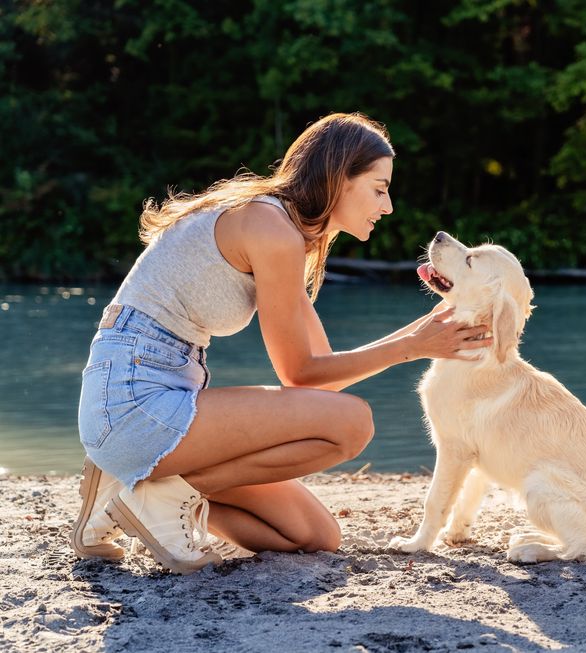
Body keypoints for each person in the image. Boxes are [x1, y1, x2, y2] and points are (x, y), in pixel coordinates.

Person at [71, 112, 491, 574]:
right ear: (339, 179)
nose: (388, 206)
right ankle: (162, 495)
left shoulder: (283, 230)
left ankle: (133, 495)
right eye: (379, 188)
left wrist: (421, 333)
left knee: (313, 536)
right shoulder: (270, 227)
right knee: (353, 424)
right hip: (131, 403)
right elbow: (300, 373)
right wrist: (413, 346)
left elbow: (321, 376)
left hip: (160, 398)